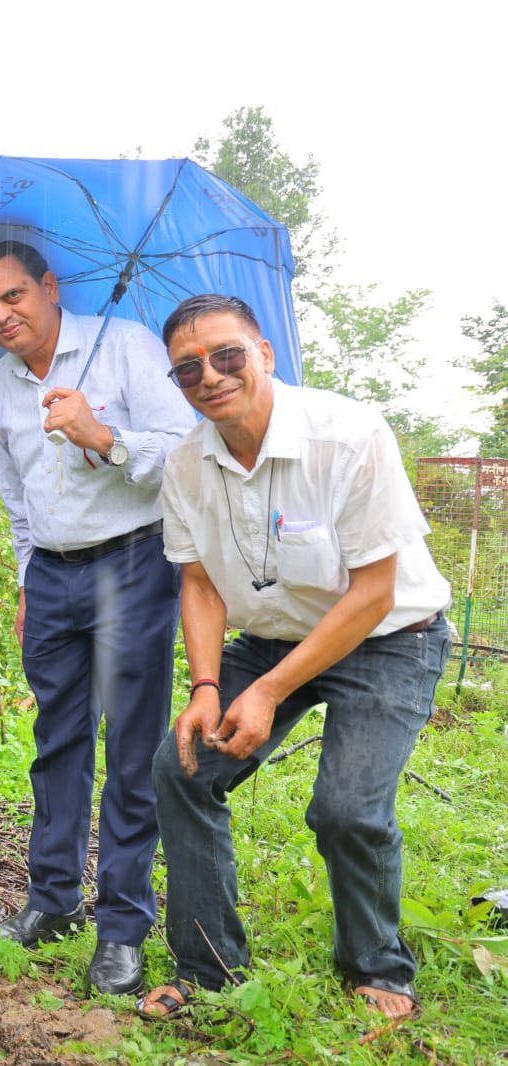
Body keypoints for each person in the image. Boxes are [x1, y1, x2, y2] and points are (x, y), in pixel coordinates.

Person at [140, 294, 451, 1022]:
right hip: (274, 635)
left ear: (265, 355)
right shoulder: (186, 465)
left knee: (345, 809)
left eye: (227, 357)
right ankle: (209, 966)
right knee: (182, 766)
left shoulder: (347, 436)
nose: (211, 377)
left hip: (389, 638)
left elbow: (375, 591)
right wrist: (210, 685)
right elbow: (199, 582)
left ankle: (378, 965)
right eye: (189, 370)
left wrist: (271, 690)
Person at [0, 240, 192, 994]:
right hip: (53, 575)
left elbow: (186, 451)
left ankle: (123, 925)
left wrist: (103, 435)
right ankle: (54, 900)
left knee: (132, 748)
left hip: (132, 564)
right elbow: (14, 489)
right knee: (55, 741)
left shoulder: (125, 348)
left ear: (48, 288)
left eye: (13, 297)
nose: (1, 316)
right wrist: (30, 571)